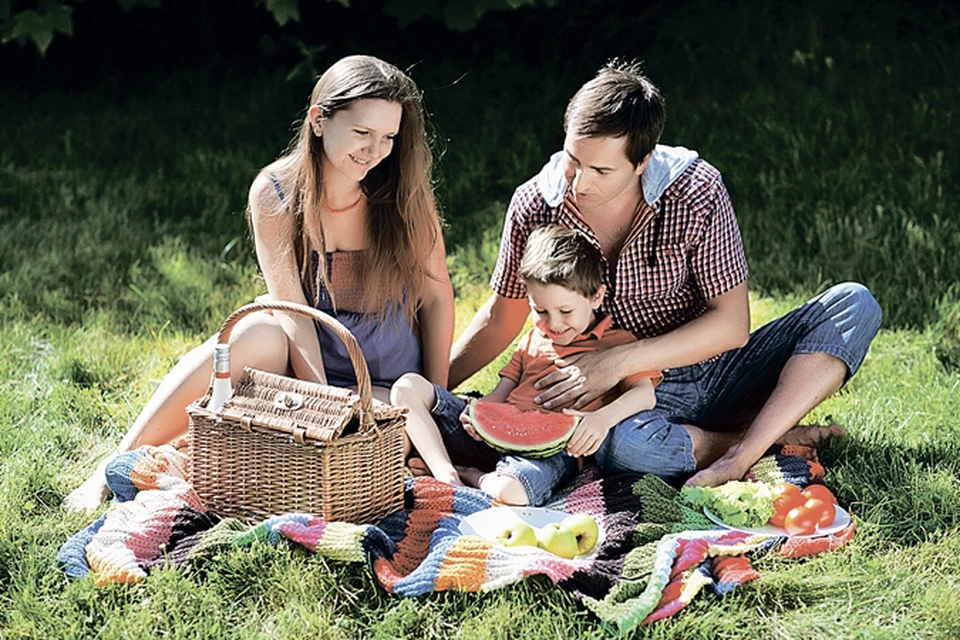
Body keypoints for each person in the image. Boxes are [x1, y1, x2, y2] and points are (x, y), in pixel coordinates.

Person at [448, 59, 881, 490]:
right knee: (628, 449)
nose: (580, 183)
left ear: (643, 162)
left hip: (718, 370)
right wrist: (434, 383)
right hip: (632, 402)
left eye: (601, 170)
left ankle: (740, 457)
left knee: (854, 304)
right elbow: (502, 316)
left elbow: (732, 326)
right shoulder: (536, 205)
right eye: (573, 160)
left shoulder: (696, 192)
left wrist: (614, 361)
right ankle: (765, 437)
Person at [63, 55, 454, 514]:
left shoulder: (402, 194)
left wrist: (436, 400)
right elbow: (293, 312)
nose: (375, 150)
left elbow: (436, 296)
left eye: (388, 136)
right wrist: (325, 407)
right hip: (306, 358)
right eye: (362, 133)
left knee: (384, 429)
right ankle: (111, 465)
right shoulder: (275, 192)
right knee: (255, 331)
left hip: (383, 376)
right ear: (319, 121)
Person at [392, 225, 661, 505]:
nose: (553, 324)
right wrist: (479, 415)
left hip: (552, 452)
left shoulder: (618, 344)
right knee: (406, 386)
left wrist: (602, 419)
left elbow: (645, 394)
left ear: (596, 296)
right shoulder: (532, 339)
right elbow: (501, 393)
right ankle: (445, 474)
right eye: (540, 311)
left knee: (512, 492)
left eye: (565, 311)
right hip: (492, 435)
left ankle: (471, 475)